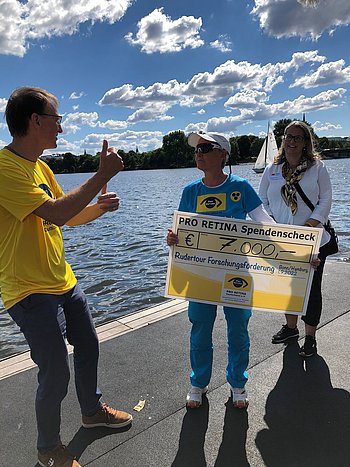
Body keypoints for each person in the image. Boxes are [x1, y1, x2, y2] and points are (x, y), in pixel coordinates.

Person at [0, 87, 133, 467]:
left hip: (63, 281)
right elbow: (56, 213)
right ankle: (48, 449)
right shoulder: (4, 167)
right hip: (27, 290)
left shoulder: (41, 167)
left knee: (88, 344)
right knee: (55, 370)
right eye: (56, 118)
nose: (61, 126)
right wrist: (100, 175)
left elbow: (67, 215)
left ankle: (91, 412)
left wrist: (98, 209)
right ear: (35, 121)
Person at [167, 132, 275, 410]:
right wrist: (173, 239)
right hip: (201, 276)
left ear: (223, 155)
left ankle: (238, 383)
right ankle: (198, 383)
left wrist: (301, 253)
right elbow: (181, 231)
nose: (198, 153)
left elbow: (266, 224)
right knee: (200, 329)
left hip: (237, 273)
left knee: (238, 330)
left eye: (205, 148)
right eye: (196, 149)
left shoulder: (241, 186)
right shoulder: (190, 191)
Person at [259, 120, 332, 358]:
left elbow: (326, 198)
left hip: (311, 238)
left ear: (305, 143)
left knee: (311, 290)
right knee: (286, 288)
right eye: (287, 137)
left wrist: (311, 225)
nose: (290, 141)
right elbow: (263, 202)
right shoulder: (272, 169)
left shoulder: (316, 168)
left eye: (296, 138)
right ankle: (291, 329)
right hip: (282, 240)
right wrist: (274, 228)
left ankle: (310, 337)